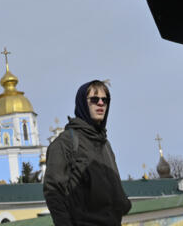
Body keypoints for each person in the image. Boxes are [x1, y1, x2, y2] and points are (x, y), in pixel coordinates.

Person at [43, 80, 131, 226]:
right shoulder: (66, 142)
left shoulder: (105, 145)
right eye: (94, 99)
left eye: (105, 100)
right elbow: (54, 192)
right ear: (83, 103)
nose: (101, 103)